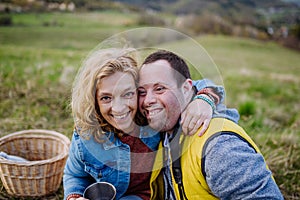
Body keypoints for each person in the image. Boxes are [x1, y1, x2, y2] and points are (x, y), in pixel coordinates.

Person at [63, 47, 239, 200]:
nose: (118, 109)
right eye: (106, 98)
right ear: (94, 100)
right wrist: (74, 196)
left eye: (128, 94)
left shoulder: (152, 120)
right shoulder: (87, 135)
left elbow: (188, 85)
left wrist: (204, 98)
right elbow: (74, 174)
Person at [138, 50, 284, 200]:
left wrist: (205, 97)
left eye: (160, 89)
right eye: (142, 92)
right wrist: (206, 95)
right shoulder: (163, 130)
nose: (148, 100)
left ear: (186, 89)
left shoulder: (219, 146)